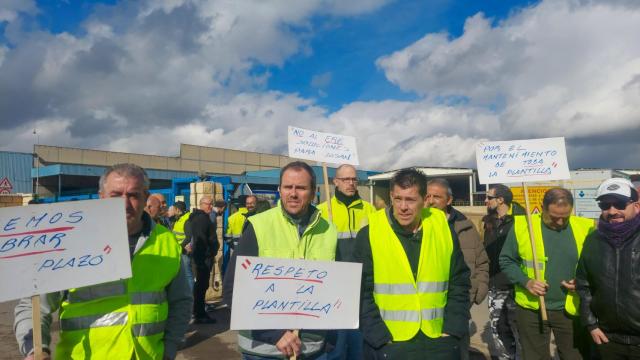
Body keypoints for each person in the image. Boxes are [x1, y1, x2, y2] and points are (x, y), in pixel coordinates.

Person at [14, 163, 192, 359]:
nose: (125, 204)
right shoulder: (70, 242)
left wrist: (169, 349)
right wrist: (35, 348)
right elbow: (35, 305)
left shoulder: (166, 241)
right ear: (101, 197)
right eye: (116, 195)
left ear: (145, 197)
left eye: (133, 195)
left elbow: (181, 302)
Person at [223, 161, 338, 359]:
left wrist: (330, 339)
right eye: (287, 187)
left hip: (312, 350)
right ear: (279, 190)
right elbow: (232, 290)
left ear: (312, 192)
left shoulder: (329, 231)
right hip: (263, 350)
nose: (293, 193)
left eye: (301, 188)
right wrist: (273, 333)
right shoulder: (258, 226)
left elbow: (337, 290)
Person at [354, 168, 470, 359]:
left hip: (438, 341)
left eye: (410, 200)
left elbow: (459, 282)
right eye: (398, 199)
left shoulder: (443, 230)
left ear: (425, 200)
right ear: (391, 196)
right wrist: (379, 338)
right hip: (390, 344)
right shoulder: (370, 234)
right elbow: (360, 293)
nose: (403, 207)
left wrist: (452, 331)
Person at [499, 188, 595, 360]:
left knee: (575, 356)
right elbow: (506, 260)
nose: (559, 222)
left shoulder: (585, 227)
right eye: (554, 217)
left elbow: (595, 266)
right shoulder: (524, 226)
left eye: (565, 217)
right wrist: (526, 281)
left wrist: (582, 281)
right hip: (532, 309)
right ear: (542, 207)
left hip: (571, 309)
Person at [576, 178, 640, 359]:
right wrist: (591, 325)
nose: (612, 211)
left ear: (635, 206)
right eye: (605, 205)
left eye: (619, 204)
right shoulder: (593, 240)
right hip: (606, 340)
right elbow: (584, 285)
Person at [427, 178, 489, 359]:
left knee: (458, 352)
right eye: (427, 195)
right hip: (427, 308)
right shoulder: (416, 225)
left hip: (459, 306)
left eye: (436, 196)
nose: (430, 200)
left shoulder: (466, 227)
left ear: (449, 200)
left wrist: (478, 290)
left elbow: (482, 262)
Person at [317, 164, 375, 360]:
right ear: (335, 181)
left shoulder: (370, 210)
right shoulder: (322, 211)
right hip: (333, 288)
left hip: (362, 287)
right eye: (345, 179)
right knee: (336, 345)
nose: (351, 183)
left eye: (354, 179)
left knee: (359, 345)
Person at [482, 184, 523, 360]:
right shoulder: (488, 222)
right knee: (498, 328)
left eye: (489, 197)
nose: (485, 200)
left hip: (517, 286)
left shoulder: (521, 220)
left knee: (519, 329)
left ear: (500, 200)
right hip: (495, 285)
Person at [189, 196, 219, 324]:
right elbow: (201, 240)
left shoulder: (199, 217)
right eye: (208, 204)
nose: (211, 206)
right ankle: (200, 314)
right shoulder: (201, 219)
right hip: (203, 259)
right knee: (201, 286)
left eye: (211, 204)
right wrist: (208, 253)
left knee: (201, 286)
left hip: (202, 258)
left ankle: (198, 312)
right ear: (201, 204)